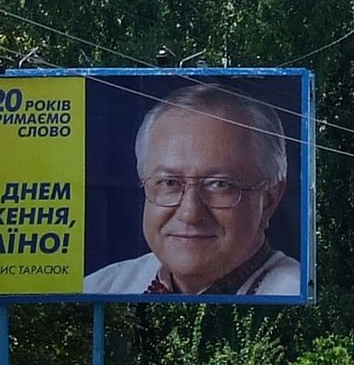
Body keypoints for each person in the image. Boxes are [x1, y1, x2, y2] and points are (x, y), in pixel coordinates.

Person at [85, 83, 300, 296]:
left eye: (219, 184)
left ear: (269, 199)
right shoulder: (98, 290)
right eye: (169, 182)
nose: (190, 214)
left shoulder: (299, 298)